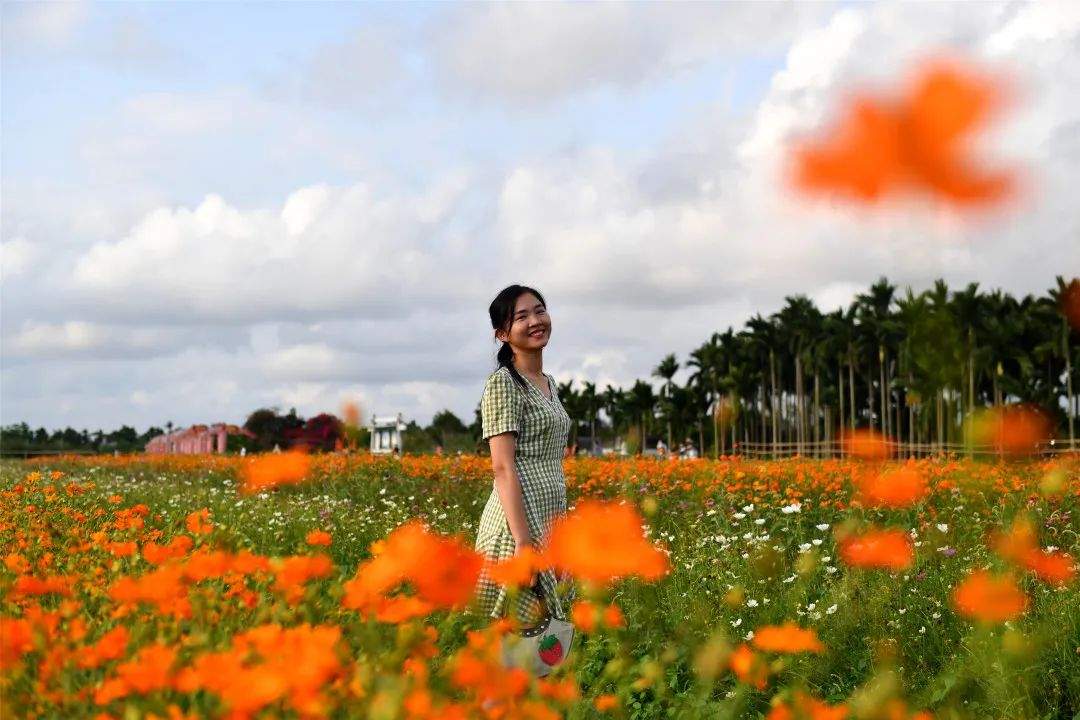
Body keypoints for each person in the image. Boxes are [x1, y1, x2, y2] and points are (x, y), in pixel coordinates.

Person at [471, 284, 575, 630]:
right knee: (511, 637)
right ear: (502, 334)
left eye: (540, 310)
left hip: (548, 517)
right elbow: (502, 468)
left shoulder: (548, 383)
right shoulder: (505, 383)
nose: (536, 320)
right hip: (517, 524)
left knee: (545, 639)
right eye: (522, 316)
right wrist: (522, 542)